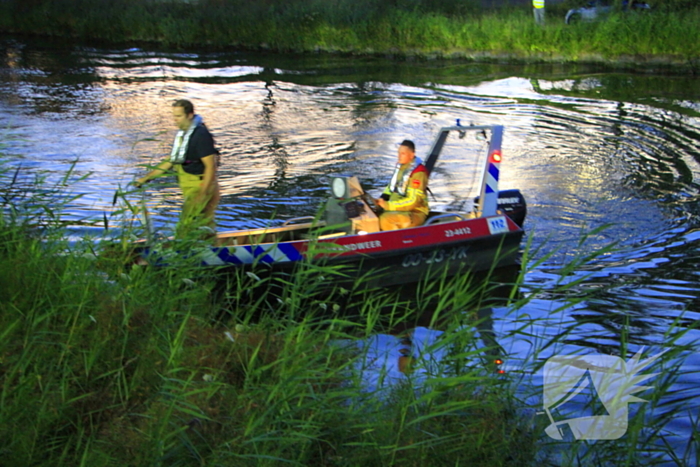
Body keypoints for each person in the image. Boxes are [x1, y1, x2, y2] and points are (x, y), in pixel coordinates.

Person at [135, 99, 220, 237]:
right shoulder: (183, 135)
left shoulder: (200, 135)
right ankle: (212, 250)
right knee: (204, 225)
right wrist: (147, 178)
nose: (175, 120)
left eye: (179, 116)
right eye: (174, 116)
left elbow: (211, 166)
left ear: (190, 115)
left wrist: (202, 193)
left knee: (185, 226)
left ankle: (183, 251)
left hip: (199, 185)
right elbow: (172, 161)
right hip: (189, 184)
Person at [375, 140, 429, 231]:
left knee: (386, 219)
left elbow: (413, 201)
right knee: (373, 215)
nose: (399, 156)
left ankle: (392, 243)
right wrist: (380, 200)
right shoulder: (401, 168)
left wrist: (388, 205)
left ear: (411, 155)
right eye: (398, 153)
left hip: (415, 212)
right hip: (399, 210)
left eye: (403, 153)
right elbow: (391, 188)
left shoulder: (418, 173)